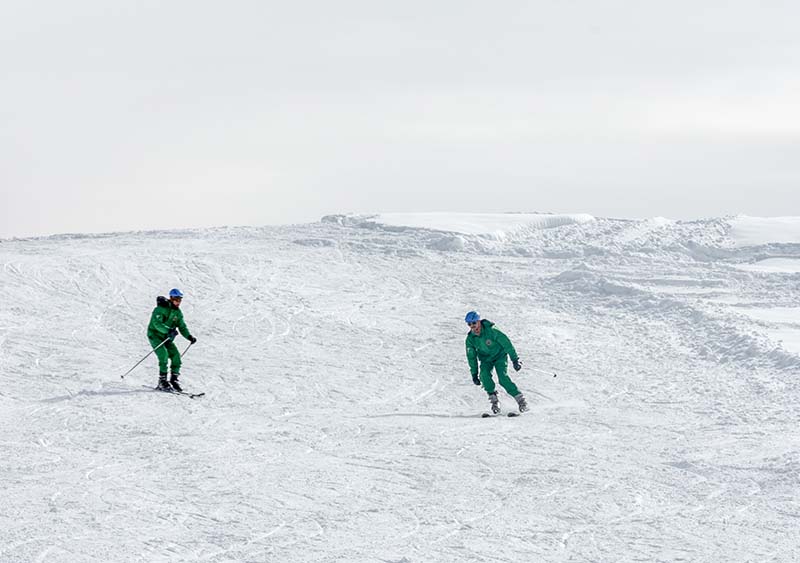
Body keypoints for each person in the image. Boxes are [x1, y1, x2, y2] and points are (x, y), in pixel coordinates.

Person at [464, 311, 528, 414]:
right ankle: (494, 401)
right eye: (469, 324)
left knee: (502, 378)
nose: (472, 326)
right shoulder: (470, 339)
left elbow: (506, 344)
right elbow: (471, 357)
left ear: (479, 321)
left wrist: (515, 359)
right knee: (484, 376)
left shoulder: (492, 331)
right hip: (486, 359)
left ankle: (521, 401)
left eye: (474, 323)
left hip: (499, 356)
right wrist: (474, 374)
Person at [147, 288, 197, 391]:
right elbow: (157, 324)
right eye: (176, 299)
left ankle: (174, 380)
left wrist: (189, 336)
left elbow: (182, 326)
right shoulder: (160, 309)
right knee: (163, 355)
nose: (178, 302)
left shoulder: (178, 313)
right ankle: (162, 381)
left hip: (167, 338)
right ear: (171, 298)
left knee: (176, 356)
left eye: (180, 300)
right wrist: (168, 330)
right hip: (155, 336)